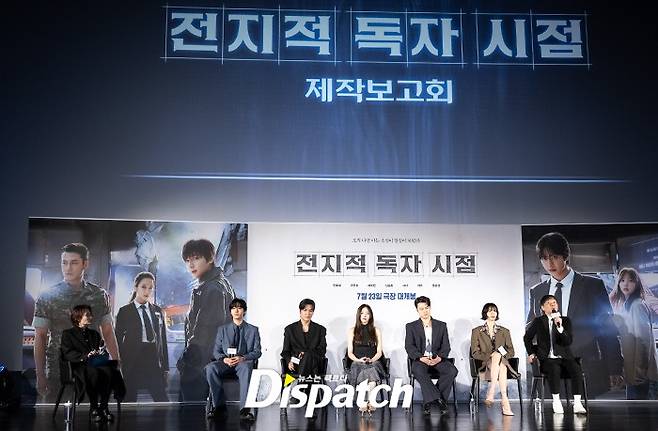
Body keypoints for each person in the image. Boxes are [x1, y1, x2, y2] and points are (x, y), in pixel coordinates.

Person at [526, 232, 623, 397]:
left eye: (554, 257)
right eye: (544, 258)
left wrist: (614, 368)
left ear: (565, 256)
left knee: (585, 413)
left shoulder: (592, 286)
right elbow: (531, 329)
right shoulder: (537, 291)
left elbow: (608, 330)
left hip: (585, 367)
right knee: (552, 413)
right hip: (550, 370)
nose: (549, 263)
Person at [33, 243, 119, 402]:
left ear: (85, 264)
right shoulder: (47, 297)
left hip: (92, 370)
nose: (68, 268)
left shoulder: (99, 296)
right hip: (58, 372)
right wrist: (40, 375)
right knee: (56, 415)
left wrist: (116, 367)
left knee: (91, 414)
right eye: (64, 262)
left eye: (74, 263)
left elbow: (108, 332)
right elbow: (40, 337)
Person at [177, 239, 235, 401]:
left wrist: (188, 356)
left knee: (192, 407)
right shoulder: (217, 284)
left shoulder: (212, 288)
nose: (191, 264)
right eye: (187, 260)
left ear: (210, 258)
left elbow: (206, 327)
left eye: (196, 258)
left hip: (201, 359)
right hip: (211, 358)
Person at [524, 294, 587, 414]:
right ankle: (556, 401)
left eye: (554, 303)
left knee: (576, 367)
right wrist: (531, 353)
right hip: (547, 359)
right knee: (554, 367)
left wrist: (560, 327)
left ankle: (577, 403)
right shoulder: (538, 321)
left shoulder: (565, 321)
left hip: (564, 357)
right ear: (543, 307)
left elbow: (568, 341)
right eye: (549, 303)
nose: (553, 305)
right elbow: (527, 338)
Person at [61, 305, 123, 422]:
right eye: (87, 315)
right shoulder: (68, 334)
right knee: (94, 373)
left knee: (111, 371)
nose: (91, 317)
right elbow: (67, 353)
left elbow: (102, 352)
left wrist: (100, 353)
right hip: (79, 367)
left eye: (91, 314)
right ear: (78, 317)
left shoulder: (94, 333)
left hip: (96, 364)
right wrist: (86, 356)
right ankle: (94, 407)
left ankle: (103, 407)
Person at [115, 271, 169, 402]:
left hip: (153, 359)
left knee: (162, 399)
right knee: (129, 400)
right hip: (132, 360)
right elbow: (117, 340)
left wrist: (166, 367)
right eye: (144, 287)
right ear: (136, 288)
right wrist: (118, 364)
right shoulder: (125, 311)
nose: (147, 291)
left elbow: (162, 340)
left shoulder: (157, 311)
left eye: (150, 288)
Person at [205, 298, 261, 421]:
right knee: (210, 368)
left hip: (242, 363)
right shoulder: (222, 329)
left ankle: (245, 410)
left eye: (239, 308)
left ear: (244, 311)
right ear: (230, 311)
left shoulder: (253, 330)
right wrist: (224, 359)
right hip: (226, 362)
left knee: (246, 368)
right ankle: (219, 407)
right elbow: (216, 351)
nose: (236, 311)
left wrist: (243, 358)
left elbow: (257, 352)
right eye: (234, 308)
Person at [609, 268, 658, 399]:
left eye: (631, 281)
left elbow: (644, 341)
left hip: (641, 376)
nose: (626, 284)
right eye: (622, 280)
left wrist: (639, 373)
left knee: (641, 410)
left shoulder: (637, 305)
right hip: (635, 375)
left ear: (637, 284)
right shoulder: (627, 305)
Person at [405, 296, 458, 415]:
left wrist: (439, 357)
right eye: (421, 309)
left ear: (430, 308)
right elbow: (409, 346)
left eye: (426, 308)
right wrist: (421, 358)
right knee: (418, 370)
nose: (424, 311)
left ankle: (429, 401)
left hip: (437, 358)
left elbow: (446, 346)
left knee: (452, 371)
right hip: (420, 359)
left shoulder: (441, 325)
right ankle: (440, 400)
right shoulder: (411, 326)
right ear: (417, 310)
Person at [470, 303, 518, 416]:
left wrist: (500, 355)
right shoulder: (476, 331)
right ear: (485, 313)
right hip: (485, 363)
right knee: (499, 361)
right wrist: (490, 355)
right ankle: (504, 401)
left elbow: (511, 351)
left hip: (501, 362)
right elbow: (474, 353)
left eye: (495, 311)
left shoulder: (505, 331)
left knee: (500, 361)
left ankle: (491, 392)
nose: (493, 313)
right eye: (490, 311)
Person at [347, 304, 386, 415]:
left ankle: (364, 403)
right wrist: (359, 360)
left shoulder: (376, 330)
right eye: (362, 313)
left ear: (371, 316)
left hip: (374, 362)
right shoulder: (352, 331)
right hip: (357, 362)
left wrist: (372, 360)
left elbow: (379, 352)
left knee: (370, 368)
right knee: (365, 370)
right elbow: (350, 353)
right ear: (358, 315)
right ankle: (370, 402)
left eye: (367, 313)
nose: (364, 316)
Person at [281, 299, 327, 378]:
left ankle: (301, 383)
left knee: (308, 355)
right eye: (305, 310)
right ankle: (306, 383)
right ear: (300, 311)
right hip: (296, 362)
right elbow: (285, 351)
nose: (308, 313)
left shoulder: (320, 329)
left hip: (314, 362)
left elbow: (322, 350)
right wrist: (289, 361)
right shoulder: (290, 329)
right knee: (306, 357)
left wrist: (306, 353)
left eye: (310, 311)